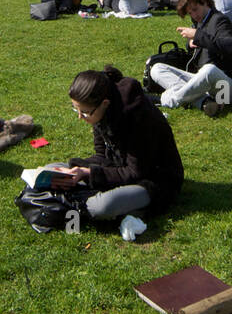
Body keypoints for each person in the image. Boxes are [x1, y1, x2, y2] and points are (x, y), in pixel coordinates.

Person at [47, 66, 185, 225]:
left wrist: (89, 173)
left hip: (154, 180)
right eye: (76, 109)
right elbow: (102, 155)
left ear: (104, 103)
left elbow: (135, 172)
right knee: (54, 168)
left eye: (84, 112)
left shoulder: (139, 119)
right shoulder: (100, 112)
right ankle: (79, 200)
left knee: (102, 206)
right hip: (119, 169)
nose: (80, 117)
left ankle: (80, 205)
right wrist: (77, 171)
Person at [149, 0, 232, 116]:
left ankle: (167, 100)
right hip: (204, 85)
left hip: (225, 89)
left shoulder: (220, 20)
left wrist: (197, 36)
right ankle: (204, 102)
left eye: (195, 10)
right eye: (190, 13)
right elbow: (201, 44)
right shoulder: (199, 21)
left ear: (205, 1)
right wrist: (191, 43)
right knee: (157, 68)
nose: (194, 15)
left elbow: (229, 47)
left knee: (209, 70)